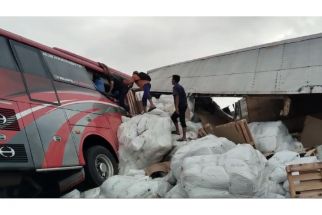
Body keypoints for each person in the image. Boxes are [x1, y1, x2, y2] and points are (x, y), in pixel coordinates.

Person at [171, 75, 188, 141]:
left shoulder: (175, 87)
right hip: (183, 105)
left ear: (174, 80)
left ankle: (184, 137)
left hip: (181, 106)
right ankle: (177, 131)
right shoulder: (180, 87)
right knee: (173, 117)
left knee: (182, 120)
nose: (171, 81)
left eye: (172, 79)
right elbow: (184, 96)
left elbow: (177, 97)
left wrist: (177, 108)